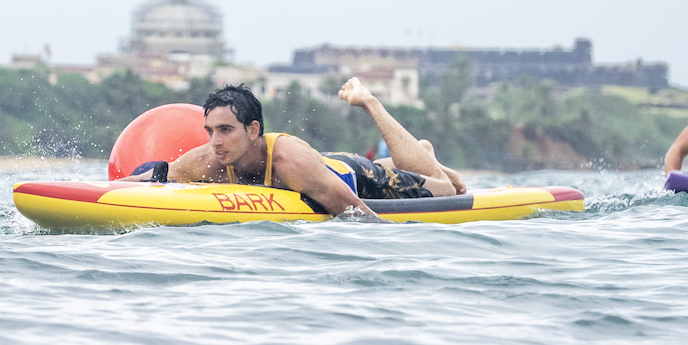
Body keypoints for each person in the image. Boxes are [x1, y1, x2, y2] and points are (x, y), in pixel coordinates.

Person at [121, 78, 466, 219]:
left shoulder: (287, 160)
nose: (216, 142)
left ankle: (373, 105)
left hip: (354, 178)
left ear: (253, 129)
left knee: (442, 187)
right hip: (324, 163)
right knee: (409, 165)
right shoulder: (209, 159)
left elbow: (360, 216)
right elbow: (160, 175)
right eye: (210, 131)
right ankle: (419, 154)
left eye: (226, 130)